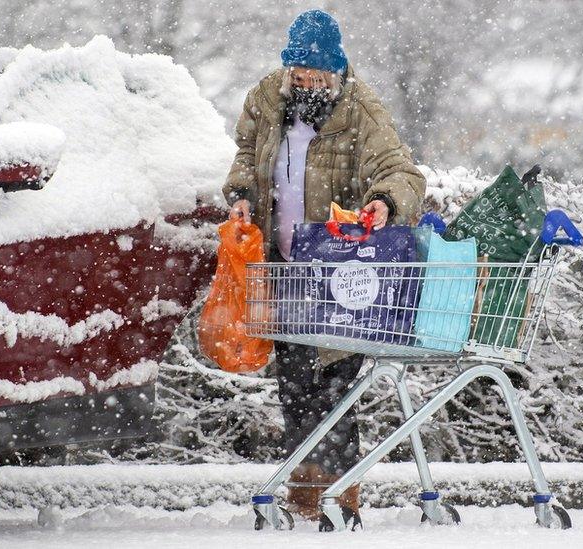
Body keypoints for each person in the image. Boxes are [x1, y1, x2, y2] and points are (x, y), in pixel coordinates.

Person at [222, 9, 426, 522]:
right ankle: (304, 491)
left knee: (335, 380)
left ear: (336, 74)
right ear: (288, 71)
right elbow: (246, 154)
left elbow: (399, 170)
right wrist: (242, 194)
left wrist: (384, 201)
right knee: (292, 381)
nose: (308, 85)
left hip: (338, 267)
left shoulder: (361, 108)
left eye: (317, 77)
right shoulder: (267, 98)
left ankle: (341, 492)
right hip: (284, 264)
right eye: (300, 76)